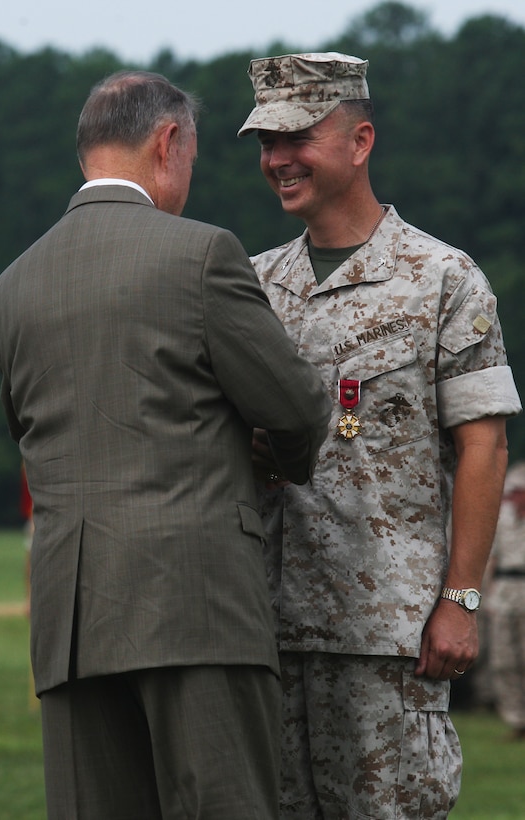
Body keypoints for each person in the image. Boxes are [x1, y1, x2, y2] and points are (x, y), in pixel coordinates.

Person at [0, 70, 332, 820]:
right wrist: (271, 466)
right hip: (195, 604)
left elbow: (30, 433)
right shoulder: (200, 254)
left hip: (71, 625)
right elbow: (298, 408)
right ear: (168, 142)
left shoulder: (10, 288)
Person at [238, 52, 522, 818]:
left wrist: (459, 600)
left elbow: (483, 446)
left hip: (388, 639)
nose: (276, 159)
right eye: (264, 142)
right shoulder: (252, 285)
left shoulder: (441, 279)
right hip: (268, 629)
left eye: (296, 137)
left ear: (359, 141)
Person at [486, 461, 525, 740]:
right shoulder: (503, 516)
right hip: (504, 587)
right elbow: (493, 552)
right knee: (504, 659)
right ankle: (517, 721)